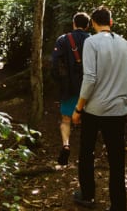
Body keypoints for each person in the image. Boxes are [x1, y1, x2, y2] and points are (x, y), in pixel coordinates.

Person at [71, 6, 127, 211]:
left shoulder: (91, 42)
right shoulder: (125, 44)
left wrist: (78, 109)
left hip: (94, 109)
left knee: (87, 153)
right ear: (111, 22)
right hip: (118, 110)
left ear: (93, 24)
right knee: (117, 159)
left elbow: (89, 78)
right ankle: (118, 204)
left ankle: (87, 195)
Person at [51, 12, 91, 166]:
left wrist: (60, 82)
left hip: (68, 86)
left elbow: (55, 63)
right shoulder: (92, 40)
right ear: (87, 25)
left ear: (74, 23)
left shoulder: (63, 39)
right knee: (87, 120)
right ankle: (85, 151)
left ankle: (66, 145)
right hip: (88, 87)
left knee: (66, 119)